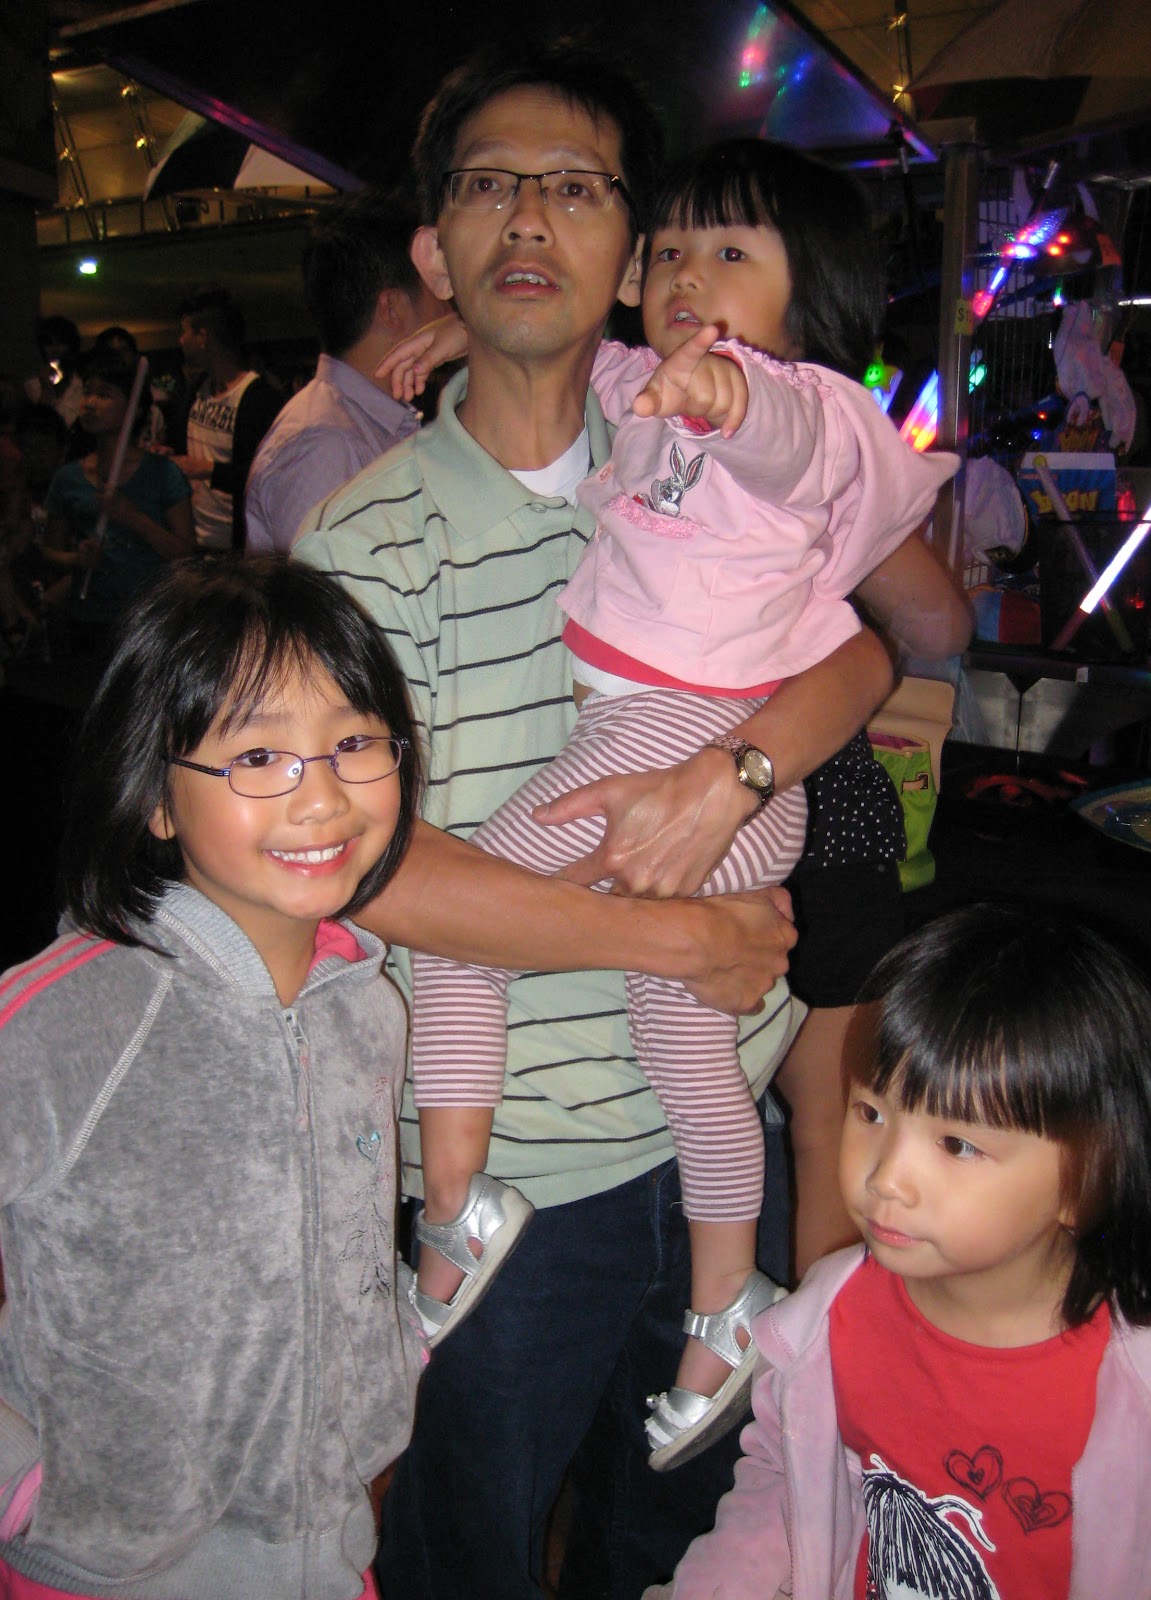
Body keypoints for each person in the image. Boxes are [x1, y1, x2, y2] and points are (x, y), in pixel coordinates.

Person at [294, 44, 906, 1600]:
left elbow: (863, 655)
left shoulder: (692, 462)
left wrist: (732, 778)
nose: (529, 218)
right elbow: (366, 864)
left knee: (684, 1562)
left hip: (717, 1128)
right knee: (469, 1564)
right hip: (523, 1181)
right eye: (489, 186)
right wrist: (673, 934)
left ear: (634, 258)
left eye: (575, 189)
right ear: (433, 248)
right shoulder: (358, 545)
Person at [385, 136, 957, 1469]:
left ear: (812, 294)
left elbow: (783, 436)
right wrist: (466, 336)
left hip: (684, 736)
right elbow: (578, 360)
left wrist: (727, 393)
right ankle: (725, 1301)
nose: (690, 275)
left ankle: (455, 1208)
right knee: (690, 1059)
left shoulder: (806, 409)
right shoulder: (646, 381)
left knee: (465, 928)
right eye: (675, 251)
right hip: (687, 753)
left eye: (733, 253)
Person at [0, 556, 426, 1597]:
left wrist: (384, 1394)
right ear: (156, 796)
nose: (322, 795)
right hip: (107, 1569)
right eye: (259, 755)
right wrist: (23, 1482)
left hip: (328, 1556)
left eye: (354, 742)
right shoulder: (71, 1018)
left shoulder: (367, 1004)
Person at [649, 902, 1151, 1600]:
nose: (886, 1178)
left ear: (1089, 1178)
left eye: (958, 1145)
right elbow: (782, 1483)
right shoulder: (829, 1317)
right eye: (871, 1113)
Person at [245, 188, 444, 555]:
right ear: (392, 308)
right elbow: (323, 589)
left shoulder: (367, 424)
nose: (449, 306)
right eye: (437, 289)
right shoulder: (326, 445)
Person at [43, 346, 194, 659]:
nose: (89, 403)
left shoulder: (163, 473)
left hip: (149, 620)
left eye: (104, 394)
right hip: (88, 620)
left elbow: (185, 553)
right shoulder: (68, 478)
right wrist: (76, 558)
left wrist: (132, 517)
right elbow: (48, 551)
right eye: (87, 392)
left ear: (135, 409)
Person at [175, 287, 282, 551]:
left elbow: (268, 475)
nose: (180, 340)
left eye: (185, 332)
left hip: (235, 545)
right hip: (195, 539)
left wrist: (209, 470)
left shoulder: (258, 398)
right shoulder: (197, 390)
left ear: (203, 337)